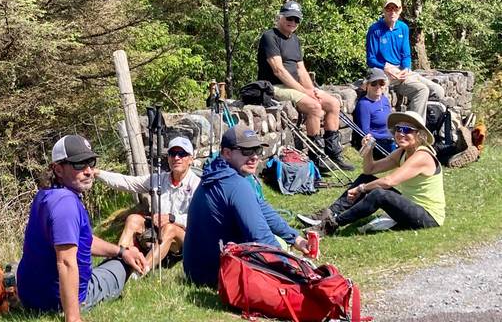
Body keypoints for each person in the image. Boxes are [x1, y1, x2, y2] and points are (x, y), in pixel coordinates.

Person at [16, 135, 147, 322]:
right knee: (122, 265)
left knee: (122, 256)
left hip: (31, 295)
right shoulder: (66, 204)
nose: (88, 171)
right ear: (58, 169)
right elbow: (66, 263)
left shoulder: (47, 194)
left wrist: (121, 250)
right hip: (55, 300)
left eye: (91, 163)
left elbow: (81, 239)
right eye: (79, 165)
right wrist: (73, 317)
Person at [183, 124, 309, 287]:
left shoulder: (215, 174)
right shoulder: (235, 185)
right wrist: (295, 269)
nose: (255, 157)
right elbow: (260, 236)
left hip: (194, 272)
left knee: (283, 242)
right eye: (246, 151)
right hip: (218, 276)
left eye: (257, 151)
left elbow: (263, 209)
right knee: (278, 245)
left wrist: (296, 238)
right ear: (227, 153)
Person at [301, 111, 445, 236]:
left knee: (379, 193)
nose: (401, 133)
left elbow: (389, 181)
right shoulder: (402, 152)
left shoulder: (422, 156)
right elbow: (369, 170)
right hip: (411, 206)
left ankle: (330, 225)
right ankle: (329, 213)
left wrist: (362, 188)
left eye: (407, 130)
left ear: (419, 134)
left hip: (429, 217)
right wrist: (369, 150)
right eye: (398, 129)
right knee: (367, 179)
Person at [257, 0, 354, 171]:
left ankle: (334, 153)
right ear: (281, 17)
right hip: (275, 86)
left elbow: (301, 69)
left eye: (296, 20)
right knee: (315, 107)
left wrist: (312, 90)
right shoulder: (269, 37)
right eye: (289, 18)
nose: (292, 22)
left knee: (333, 103)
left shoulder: (295, 40)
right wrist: (304, 92)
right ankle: (317, 157)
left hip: (294, 87)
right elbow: (279, 71)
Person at [95, 136, 200, 274]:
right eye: (172, 154)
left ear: (191, 159)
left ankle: (141, 271)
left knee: (170, 228)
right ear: (168, 158)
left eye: (182, 154)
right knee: (133, 219)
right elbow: (127, 182)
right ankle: (116, 263)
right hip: (156, 230)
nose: (176, 158)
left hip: (184, 238)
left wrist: (173, 218)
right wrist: (98, 173)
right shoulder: (157, 179)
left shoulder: (197, 184)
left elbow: (199, 220)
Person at [366, 0, 444, 119]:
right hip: (384, 73)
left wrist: (406, 69)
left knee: (438, 91)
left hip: (401, 73)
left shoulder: (403, 28)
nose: (392, 12)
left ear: (400, 10)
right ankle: (412, 128)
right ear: (384, 10)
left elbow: (406, 55)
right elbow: (370, 59)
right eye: (389, 9)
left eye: (395, 9)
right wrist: (386, 67)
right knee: (422, 90)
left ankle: (425, 124)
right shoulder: (375, 30)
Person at [354, 68, 396, 159]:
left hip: (393, 138)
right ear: (367, 85)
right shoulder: (364, 105)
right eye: (374, 83)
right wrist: (387, 137)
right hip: (379, 143)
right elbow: (365, 132)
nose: (378, 87)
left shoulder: (384, 99)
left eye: (381, 83)